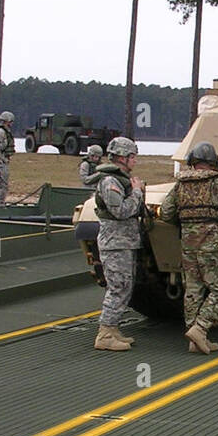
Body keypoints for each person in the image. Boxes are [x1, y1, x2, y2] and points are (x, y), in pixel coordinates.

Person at [159, 141, 218, 355]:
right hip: (213, 244)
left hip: (188, 245)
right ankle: (201, 328)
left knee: (193, 289)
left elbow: (165, 213)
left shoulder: (180, 185)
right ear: (213, 163)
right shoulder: (217, 184)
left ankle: (195, 338)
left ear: (192, 162)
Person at [92, 136, 145, 351]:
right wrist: (138, 193)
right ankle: (105, 333)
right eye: (132, 157)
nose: (135, 161)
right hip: (115, 242)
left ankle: (112, 329)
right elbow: (120, 211)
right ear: (122, 157)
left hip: (124, 242)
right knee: (118, 287)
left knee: (125, 286)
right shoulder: (110, 182)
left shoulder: (119, 180)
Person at [0, 110, 16, 204]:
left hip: (4, 160)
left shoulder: (5, 131)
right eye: (11, 122)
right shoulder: (1, 132)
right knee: (1, 183)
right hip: (0, 161)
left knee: (3, 183)